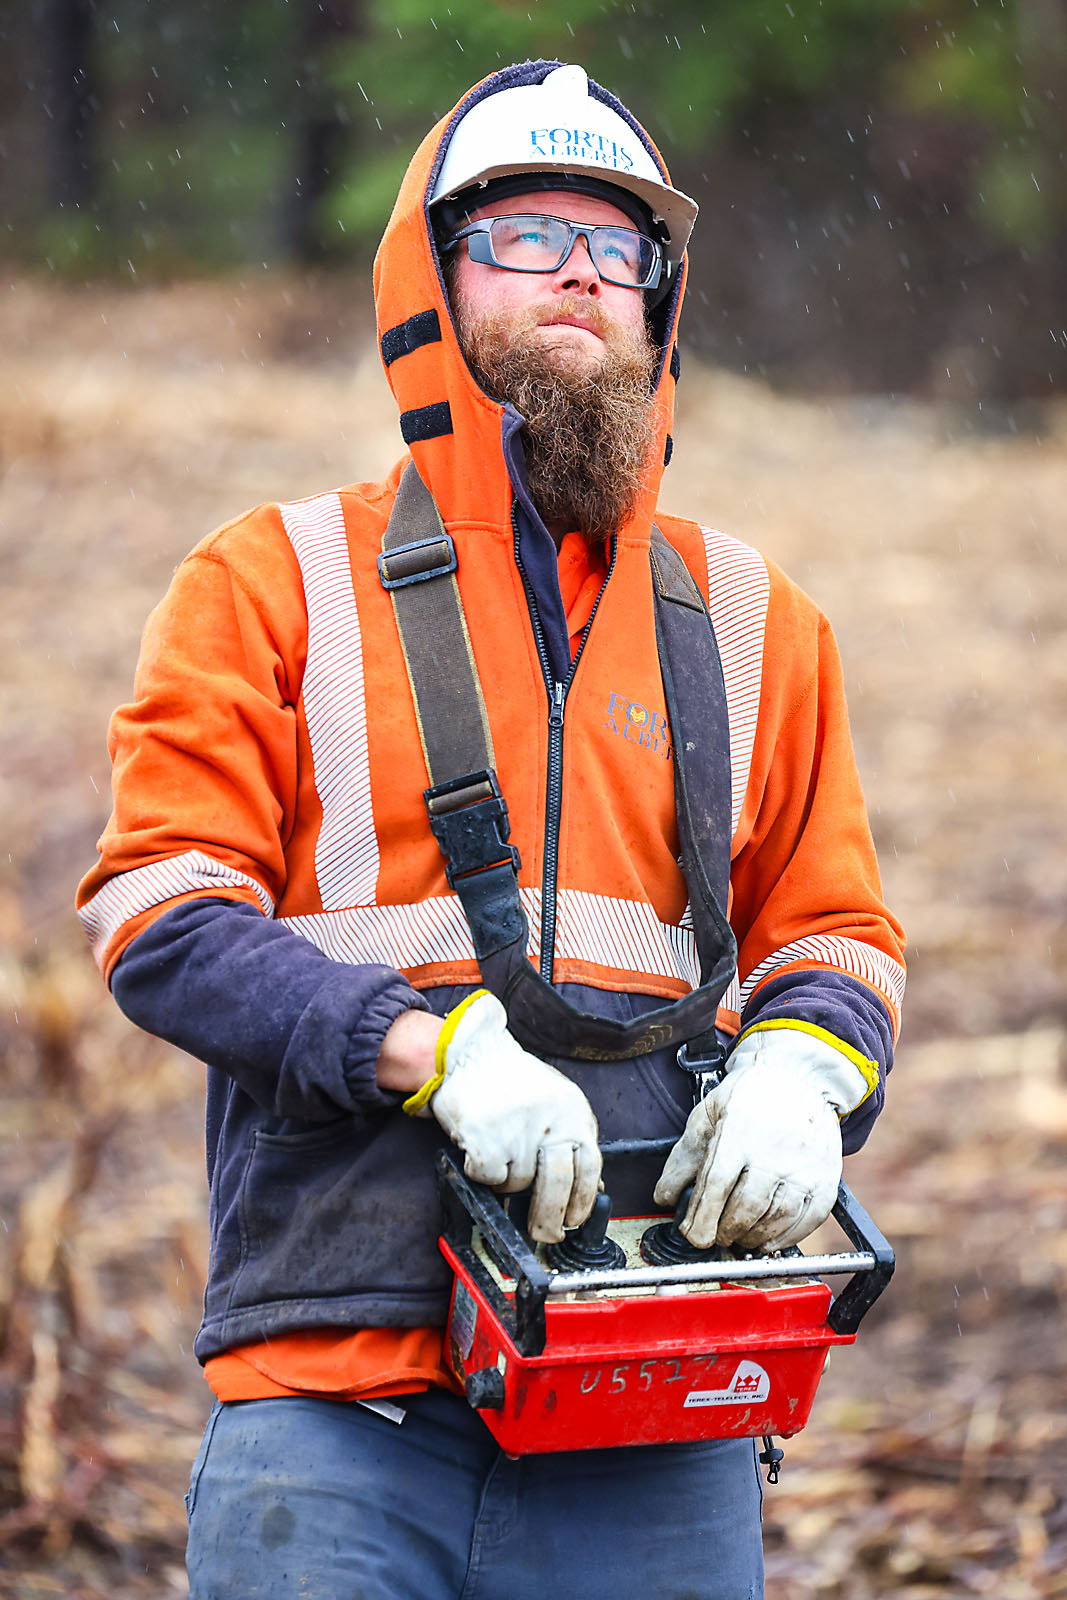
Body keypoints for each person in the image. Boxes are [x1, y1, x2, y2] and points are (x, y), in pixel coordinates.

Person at [77, 60, 905, 1600]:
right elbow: (157, 918)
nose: (585, 267)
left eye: (621, 242)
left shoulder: (759, 624)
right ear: (430, 281)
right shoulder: (269, 584)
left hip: (662, 1407)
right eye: (527, 232)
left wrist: (809, 1069)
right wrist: (435, 1051)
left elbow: (837, 934)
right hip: (336, 1403)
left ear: (667, 302)